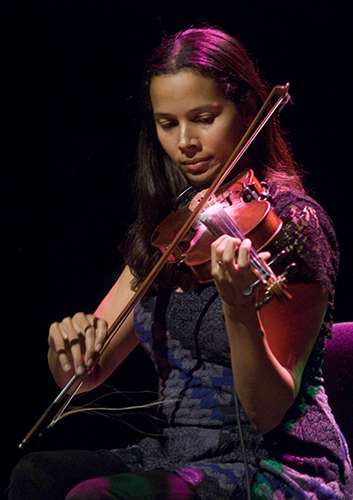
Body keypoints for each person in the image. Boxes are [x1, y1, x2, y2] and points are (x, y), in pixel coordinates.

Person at [6, 26, 353, 500]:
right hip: (179, 453)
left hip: (275, 463)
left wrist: (238, 308)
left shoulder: (293, 224)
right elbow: (86, 375)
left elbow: (268, 411)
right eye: (167, 124)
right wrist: (65, 349)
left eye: (204, 117)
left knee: (97, 496)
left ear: (248, 108)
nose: (185, 141)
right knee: (35, 475)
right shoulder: (174, 226)